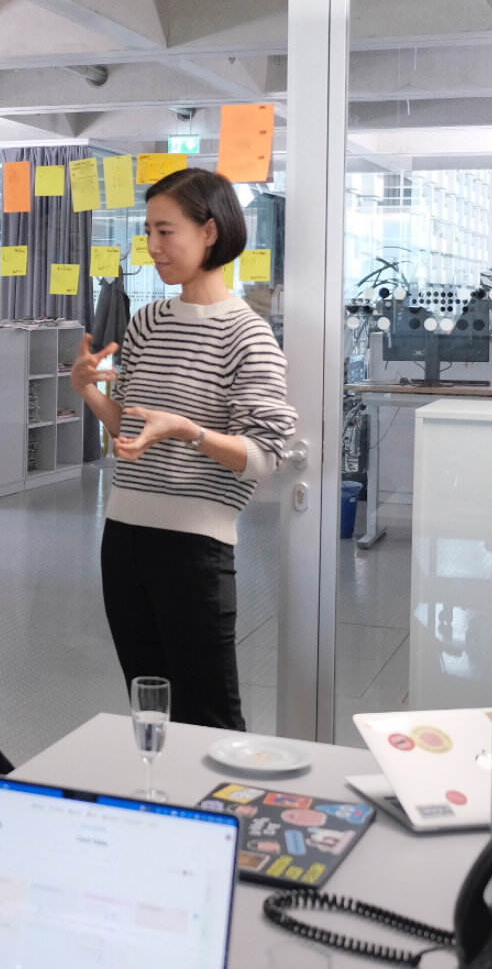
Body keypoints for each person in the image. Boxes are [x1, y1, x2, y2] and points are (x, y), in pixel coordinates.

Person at [71, 168, 297, 730]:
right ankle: (162, 812)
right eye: (148, 231)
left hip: (195, 548)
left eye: (166, 231)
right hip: (122, 538)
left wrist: (190, 431)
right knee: (150, 706)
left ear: (211, 232)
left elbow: (264, 455)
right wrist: (88, 391)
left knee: (210, 715)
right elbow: (131, 427)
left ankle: (222, 817)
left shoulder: (248, 334)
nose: (153, 247)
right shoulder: (147, 322)